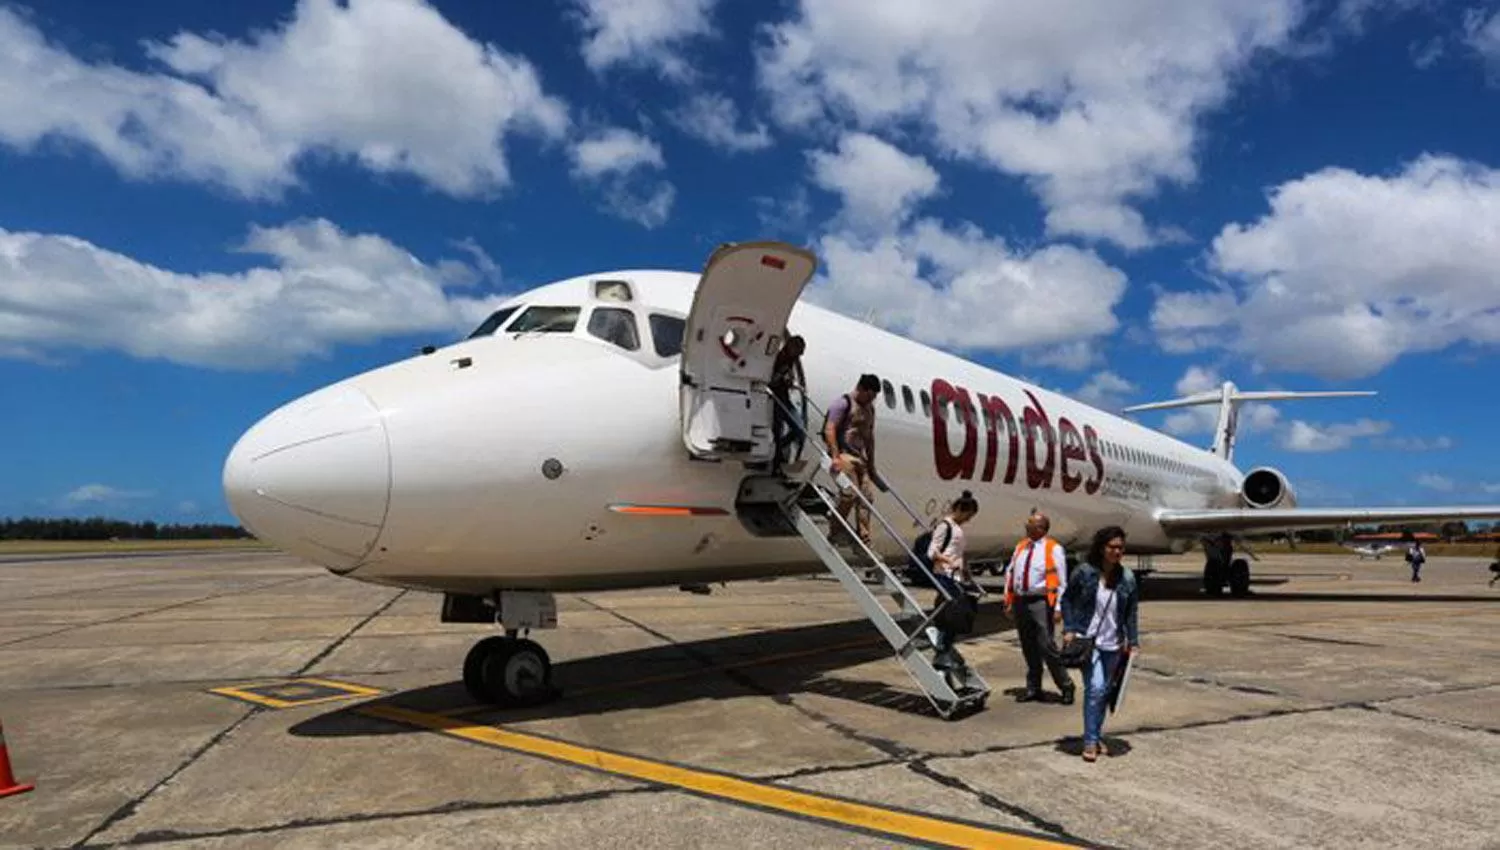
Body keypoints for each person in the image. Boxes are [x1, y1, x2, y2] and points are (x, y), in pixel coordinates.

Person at [1061, 525, 1141, 762]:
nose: (1117, 552)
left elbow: (1131, 612)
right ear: (1101, 548)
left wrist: (1133, 640)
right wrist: (1069, 628)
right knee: (1095, 689)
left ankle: (1095, 736)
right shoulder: (1084, 572)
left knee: (1105, 692)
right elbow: (1067, 599)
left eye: (1120, 548)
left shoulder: (1127, 578)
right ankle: (1089, 741)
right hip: (1088, 640)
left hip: (1113, 643)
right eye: (1112, 547)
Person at [1003, 512, 1075, 704]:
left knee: (1047, 645)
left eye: (1031, 524)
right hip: (1020, 601)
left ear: (1041, 528)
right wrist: (1008, 601)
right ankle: (1034, 687)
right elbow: (1011, 574)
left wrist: (1059, 607)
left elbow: (1061, 581)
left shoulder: (1053, 548)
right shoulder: (1020, 547)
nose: (1026, 526)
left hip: (1041, 602)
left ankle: (1066, 685)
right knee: (1028, 646)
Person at [925, 491, 981, 673]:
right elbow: (931, 551)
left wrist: (967, 573)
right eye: (968, 515)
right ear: (959, 509)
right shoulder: (944, 526)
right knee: (955, 610)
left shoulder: (958, 527)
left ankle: (943, 644)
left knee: (958, 611)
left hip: (956, 575)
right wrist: (948, 561)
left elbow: (960, 554)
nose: (968, 519)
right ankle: (942, 646)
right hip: (944, 573)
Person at [823, 374, 881, 546]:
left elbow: (869, 438)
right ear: (861, 388)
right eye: (870, 395)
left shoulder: (870, 409)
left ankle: (863, 537)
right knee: (849, 493)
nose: (871, 400)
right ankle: (836, 529)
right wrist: (835, 457)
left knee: (867, 497)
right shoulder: (843, 403)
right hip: (843, 454)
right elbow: (830, 429)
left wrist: (871, 465)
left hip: (859, 457)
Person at [768, 335, 806, 473]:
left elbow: (786, 381)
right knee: (777, 431)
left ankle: (777, 453)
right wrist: (781, 375)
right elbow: (771, 381)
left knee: (799, 429)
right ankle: (776, 461)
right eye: (799, 351)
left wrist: (791, 383)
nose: (799, 355)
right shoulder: (778, 359)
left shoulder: (790, 361)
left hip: (784, 398)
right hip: (776, 398)